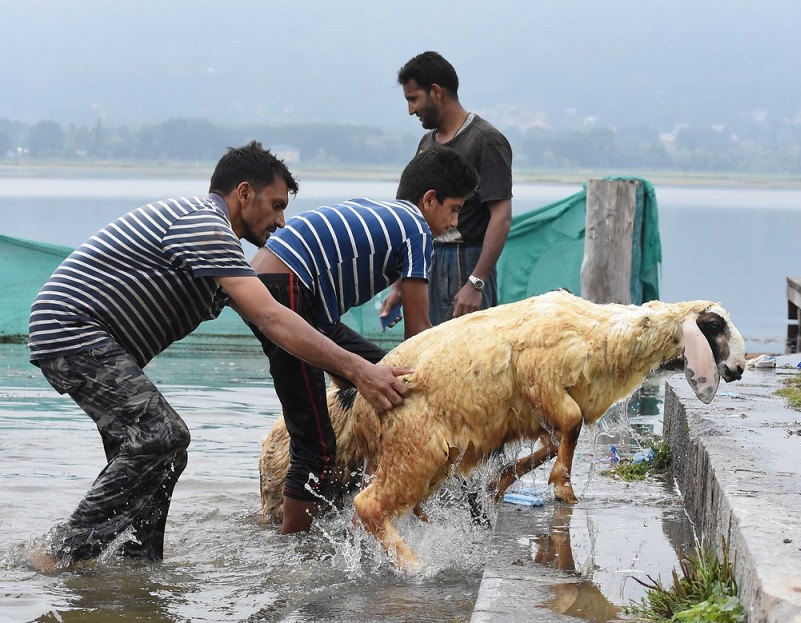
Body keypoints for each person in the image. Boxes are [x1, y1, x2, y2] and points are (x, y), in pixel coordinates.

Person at [26, 141, 413, 571]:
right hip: (72, 328)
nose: (282, 220)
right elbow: (272, 318)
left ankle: (139, 564)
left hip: (89, 338)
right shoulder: (205, 225)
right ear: (244, 194)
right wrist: (362, 372)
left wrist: (350, 372)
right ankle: (55, 556)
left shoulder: (219, 244)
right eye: (276, 204)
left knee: (164, 456)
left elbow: (291, 327)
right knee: (162, 436)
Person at [248, 146, 480, 534]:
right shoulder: (418, 229)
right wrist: (454, 380)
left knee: (382, 377)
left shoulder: (393, 216)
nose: (453, 222)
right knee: (315, 442)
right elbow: (419, 334)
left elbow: (393, 357)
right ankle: (294, 549)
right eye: (454, 209)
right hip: (286, 290)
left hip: (292, 292)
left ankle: (364, 496)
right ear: (429, 200)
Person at [394, 50, 513, 325]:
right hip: (428, 260)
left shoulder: (486, 140)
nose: (411, 110)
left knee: (473, 357)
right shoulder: (426, 145)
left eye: (414, 99)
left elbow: (501, 216)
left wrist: (477, 281)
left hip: (468, 260)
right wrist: (399, 284)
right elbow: (411, 217)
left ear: (436, 92)